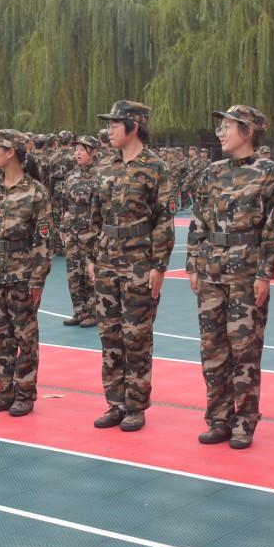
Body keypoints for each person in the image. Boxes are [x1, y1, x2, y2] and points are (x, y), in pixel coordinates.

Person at [187, 106, 274, 449]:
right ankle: (218, 419)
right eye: (221, 127)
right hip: (211, 271)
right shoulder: (212, 172)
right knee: (212, 349)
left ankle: (244, 422)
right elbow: (198, 220)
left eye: (228, 127)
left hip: (246, 273)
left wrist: (265, 273)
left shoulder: (269, 172)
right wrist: (193, 264)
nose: (221, 133)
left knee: (245, 351)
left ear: (249, 131)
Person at [88, 101, 175, 432]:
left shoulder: (155, 168)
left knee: (136, 336)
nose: (108, 130)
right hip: (107, 261)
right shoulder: (105, 167)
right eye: (108, 125)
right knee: (109, 335)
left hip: (139, 262)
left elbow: (164, 219)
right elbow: (95, 216)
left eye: (114, 124)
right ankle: (116, 403)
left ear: (133, 127)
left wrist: (159, 265)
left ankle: (136, 406)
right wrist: (92, 256)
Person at [0, 129, 52, 416]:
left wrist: (38, 278)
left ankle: (25, 394)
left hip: (22, 275)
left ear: (10, 152)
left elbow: (43, 241)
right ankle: (5, 390)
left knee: (25, 337)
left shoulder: (36, 192)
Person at [57, 135, 101, 328]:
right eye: (76, 150)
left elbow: (103, 206)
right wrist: (62, 226)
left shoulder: (100, 174)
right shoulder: (72, 174)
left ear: (94, 152)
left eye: (82, 149)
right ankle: (79, 311)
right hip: (72, 228)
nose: (78, 153)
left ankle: (93, 312)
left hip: (90, 230)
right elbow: (64, 202)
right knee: (73, 272)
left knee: (89, 271)